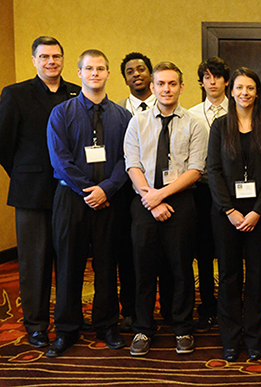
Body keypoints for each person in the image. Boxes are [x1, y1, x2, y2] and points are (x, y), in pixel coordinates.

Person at [46, 49, 131, 357]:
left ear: (108, 74)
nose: (95, 73)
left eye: (100, 68)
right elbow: (60, 158)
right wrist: (89, 190)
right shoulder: (62, 113)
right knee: (69, 264)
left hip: (110, 201)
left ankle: (107, 325)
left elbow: (128, 159)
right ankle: (67, 329)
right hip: (71, 198)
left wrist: (106, 189)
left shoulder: (124, 117)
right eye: (89, 68)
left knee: (108, 263)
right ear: (79, 73)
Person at [0, 36, 80, 348]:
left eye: (56, 56)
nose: (51, 62)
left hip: (69, 191)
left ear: (63, 59)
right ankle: (35, 324)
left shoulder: (76, 92)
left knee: (68, 259)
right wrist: (23, 172)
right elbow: (3, 145)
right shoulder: (15, 94)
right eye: (44, 56)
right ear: (34, 60)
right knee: (34, 263)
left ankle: (68, 319)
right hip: (31, 193)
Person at [124, 61, 207, 356]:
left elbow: (196, 168)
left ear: (181, 87)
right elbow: (132, 164)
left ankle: (182, 327)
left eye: (172, 84)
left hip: (181, 201)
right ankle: (143, 329)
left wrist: (162, 195)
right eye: (161, 84)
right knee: (143, 269)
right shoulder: (137, 121)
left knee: (182, 268)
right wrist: (150, 197)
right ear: (153, 87)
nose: (166, 89)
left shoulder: (194, 124)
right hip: (144, 201)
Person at [207, 67, 261, 362]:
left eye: (250, 88)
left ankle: (253, 337)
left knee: (257, 277)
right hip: (227, 215)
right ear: (231, 90)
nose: (244, 93)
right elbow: (213, 170)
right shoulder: (219, 126)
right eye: (239, 88)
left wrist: (257, 212)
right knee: (228, 276)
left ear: (257, 92)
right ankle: (230, 337)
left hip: (259, 216)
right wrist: (230, 210)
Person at [117, 52, 174, 332]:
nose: (136, 74)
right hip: (130, 195)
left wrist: (156, 196)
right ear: (125, 78)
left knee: (167, 255)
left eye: (141, 69)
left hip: (169, 195)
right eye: (130, 71)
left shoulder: (168, 107)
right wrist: (146, 196)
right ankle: (132, 310)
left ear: (151, 78)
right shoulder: (118, 112)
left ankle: (170, 307)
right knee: (132, 256)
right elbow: (127, 160)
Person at [188, 56, 231, 333]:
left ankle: (231, 304)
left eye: (216, 76)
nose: (212, 82)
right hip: (201, 190)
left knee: (230, 251)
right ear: (201, 82)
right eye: (206, 77)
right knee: (203, 252)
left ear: (226, 80)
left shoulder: (239, 110)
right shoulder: (191, 114)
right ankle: (207, 305)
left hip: (232, 190)